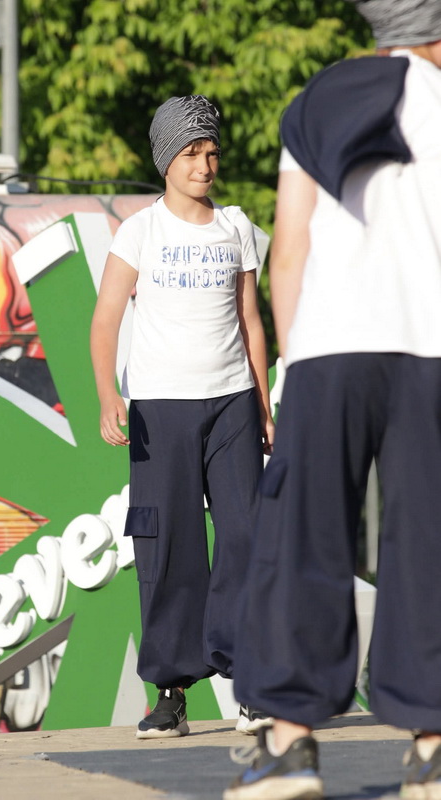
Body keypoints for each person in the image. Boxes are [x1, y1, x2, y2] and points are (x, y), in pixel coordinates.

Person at [224, 1, 441, 798]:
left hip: (329, 346)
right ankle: (432, 750)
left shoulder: (320, 97)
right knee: (430, 540)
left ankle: (289, 748)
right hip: (432, 346)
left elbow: (291, 246)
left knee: (305, 538)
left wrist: (293, 361)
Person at [90, 95, 274, 739]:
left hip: (231, 405)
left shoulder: (236, 226)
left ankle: (250, 681)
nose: (205, 164)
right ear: (166, 160)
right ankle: (170, 692)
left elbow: (251, 322)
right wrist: (108, 395)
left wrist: (263, 405)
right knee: (168, 545)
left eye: (211, 152)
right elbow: (105, 320)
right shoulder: (140, 231)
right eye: (192, 153)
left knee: (246, 535)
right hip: (158, 409)